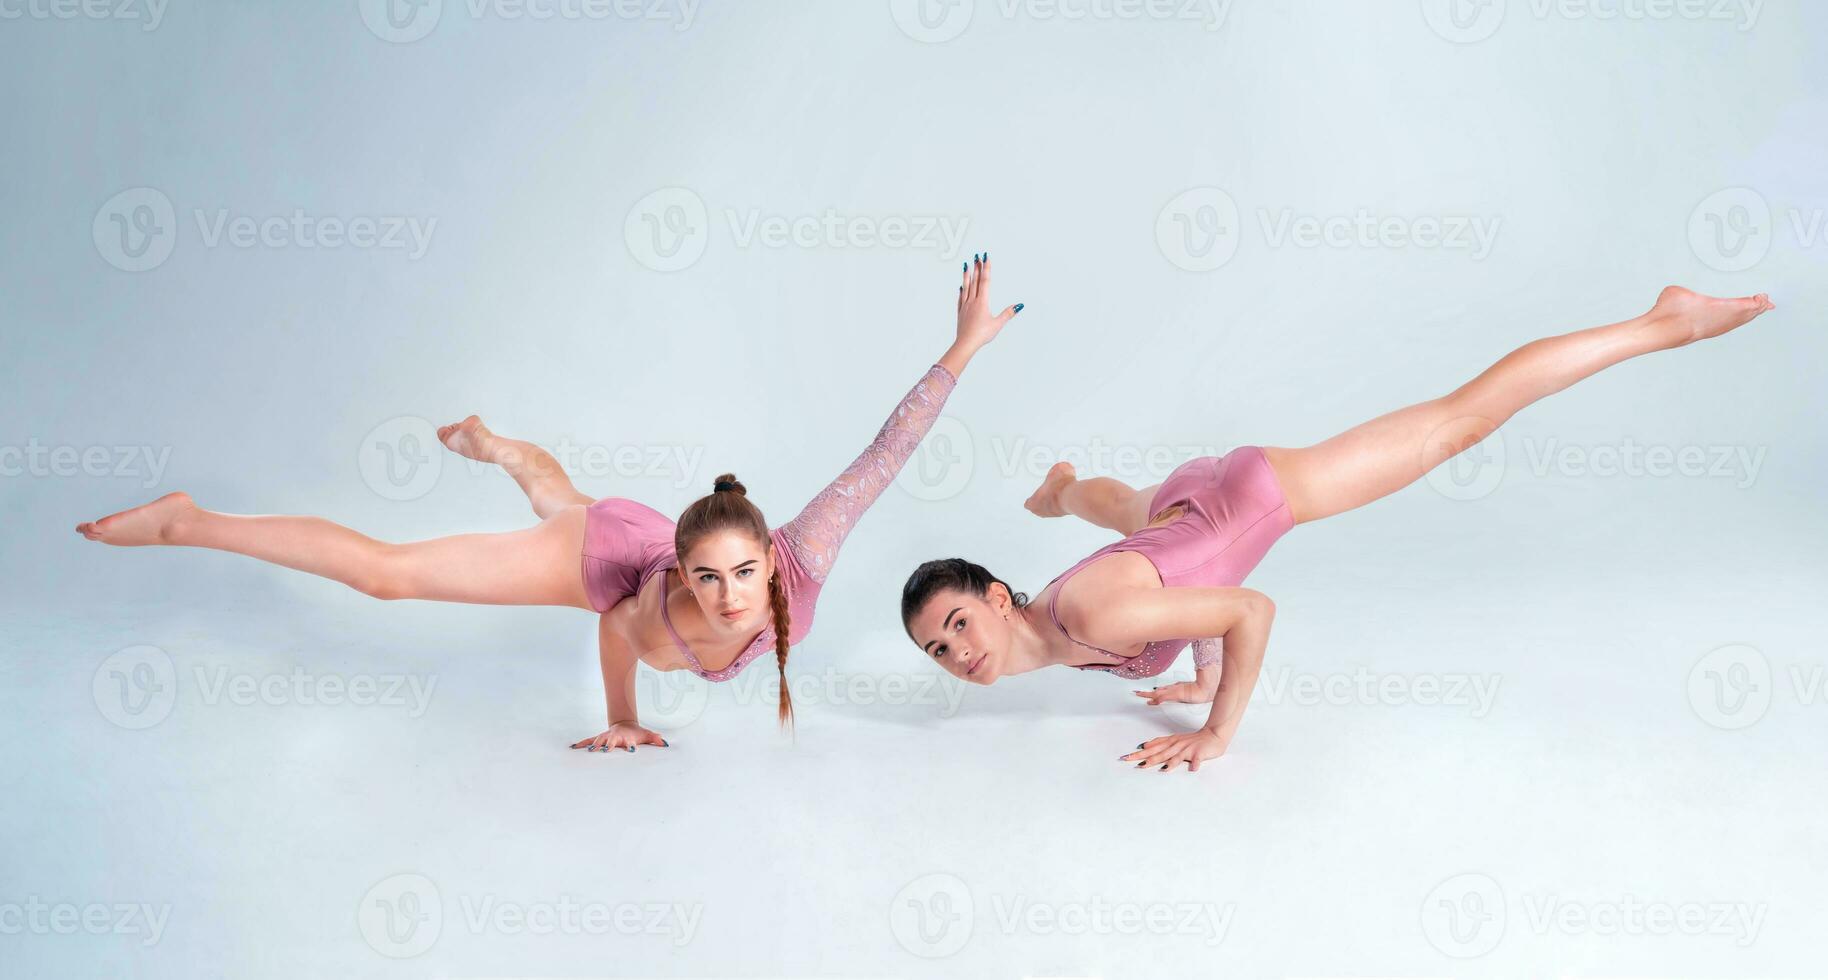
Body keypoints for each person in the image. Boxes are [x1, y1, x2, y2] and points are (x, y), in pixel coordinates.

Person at [77, 254, 1023, 754]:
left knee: (558, 495)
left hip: (639, 528)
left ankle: (494, 443)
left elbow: (887, 451)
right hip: (604, 556)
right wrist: (623, 716)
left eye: (744, 573)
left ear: (771, 557)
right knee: (391, 579)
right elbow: (615, 632)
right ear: (685, 578)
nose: (733, 597)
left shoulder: (799, 555)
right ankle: (188, 519)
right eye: (711, 581)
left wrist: (965, 344)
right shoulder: (657, 609)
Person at [900, 286, 1773, 772]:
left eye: (958, 624)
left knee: (1461, 419)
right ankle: (1061, 490)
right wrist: (1197, 676)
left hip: (1249, 496)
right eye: (936, 649)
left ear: (1000, 599)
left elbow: (1246, 609)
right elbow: (1189, 598)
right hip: (1179, 508)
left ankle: (1663, 322)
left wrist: (1217, 733)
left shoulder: (1088, 617)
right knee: (1124, 507)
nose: (955, 651)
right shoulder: (1059, 628)